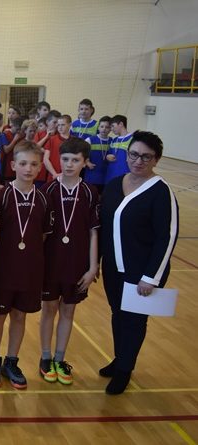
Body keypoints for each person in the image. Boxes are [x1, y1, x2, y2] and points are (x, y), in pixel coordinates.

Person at [98, 131, 179, 395]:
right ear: (127, 154)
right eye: (134, 154)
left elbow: (167, 238)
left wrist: (151, 277)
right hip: (113, 268)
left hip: (142, 272)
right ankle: (120, 358)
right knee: (117, 314)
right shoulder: (114, 185)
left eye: (146, 157)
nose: (138, 161)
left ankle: (125, 370)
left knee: (134, 320)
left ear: (156, 160)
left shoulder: (161, 192)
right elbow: (103, 227)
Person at [0, 140, 52, 390]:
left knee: (20, 315)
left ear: (40, 167)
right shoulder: (0, 196)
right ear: (13, 165)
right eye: (23, 163)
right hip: (2, 269)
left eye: (34, 164)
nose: (28, 169)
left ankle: (11, 361)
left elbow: (43, 236)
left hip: (29, 269)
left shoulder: (44, 198)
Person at [39, 138, 100, 385]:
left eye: (75, 160)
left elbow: (94, 232)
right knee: (48, 309)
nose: (69, 164)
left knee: (68, 310)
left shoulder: (90, 192)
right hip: (50, 263)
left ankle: (60, 358)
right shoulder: (48, 190)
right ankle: (45, 357)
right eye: (65, 159)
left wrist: (93, 266)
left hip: (77, 263)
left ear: (85, 162)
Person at [84, 115, 111, 194]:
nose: (104, 129)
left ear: (110, 129)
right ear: (98, 127)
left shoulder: (112, 141)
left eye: (107, 127)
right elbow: (81, 153)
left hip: (105, 176)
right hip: (91, 175)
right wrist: (87, 162)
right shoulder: (90, 140)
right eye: (102, 126)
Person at [42, 114, 73, 181]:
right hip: (53, 176)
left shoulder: (75, 141)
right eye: (58, 125)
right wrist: (55, 174)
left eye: (63, 125)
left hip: (69, 177)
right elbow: (45, 159)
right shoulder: (52, 140)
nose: (60, 127)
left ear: (70, 125)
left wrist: (65, 174)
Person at [104, 115, 131, 184]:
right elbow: (108, 154)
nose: (111, 129)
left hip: (125, 177)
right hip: (111, 176)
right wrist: (108, 157)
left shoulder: (132, 139)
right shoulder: (114, 140)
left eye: (113, 126)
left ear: (121, 124)